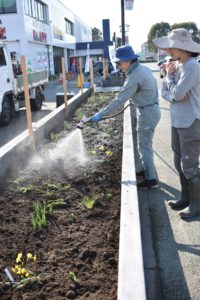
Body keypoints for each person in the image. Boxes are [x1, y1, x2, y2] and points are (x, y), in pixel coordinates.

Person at [89, 45, 161, 190]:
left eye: (119, 63)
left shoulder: (135, 76)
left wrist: (100, 114)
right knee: (142, 143)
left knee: (144, 145)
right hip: (148, 109)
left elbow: (119, 100)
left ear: (129, 60)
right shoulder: (140, 69)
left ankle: (151, 180)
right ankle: (144, 170)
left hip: (148, 112)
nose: (118, 65)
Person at [153, 28, 200, 219]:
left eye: (172, 47)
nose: (169, 50)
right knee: (179, 162)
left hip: (191, 121)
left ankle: (196, 205)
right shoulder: (178, 65)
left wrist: (170, 81)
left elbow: (177, 94)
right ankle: (186, 198)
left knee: (189, 164)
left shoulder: (191, 66)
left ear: (184, 48)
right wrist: (170, 83)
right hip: (178, 119)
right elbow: (167, 94)